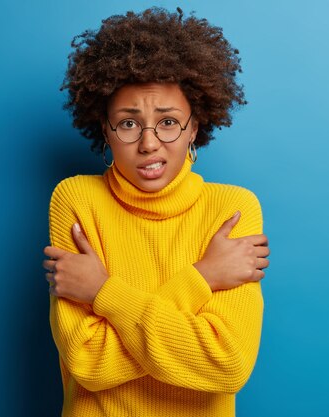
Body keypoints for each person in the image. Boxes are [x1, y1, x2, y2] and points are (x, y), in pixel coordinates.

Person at [43, 7, 270, 417]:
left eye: (168, 122)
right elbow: (89, 362)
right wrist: (203, 277)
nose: (149, 143)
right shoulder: (76, 199)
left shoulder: (232, 209)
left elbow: (227, 364)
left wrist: (103, 293)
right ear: (105, 128)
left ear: (195, 126)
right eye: (128, 124)